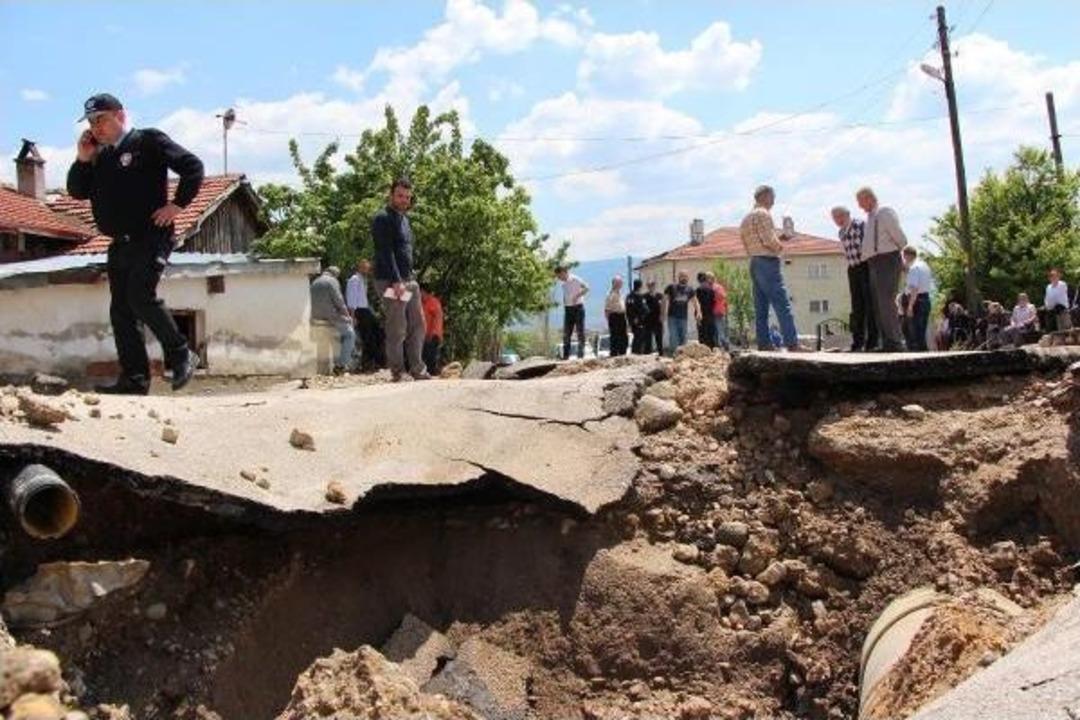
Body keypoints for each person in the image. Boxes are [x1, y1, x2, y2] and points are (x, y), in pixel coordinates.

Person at [66, 93, 203, 395]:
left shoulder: (147, 141)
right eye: (91, 122)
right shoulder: (100, 156)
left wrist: (178, 205)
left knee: (140, 295)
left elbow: (193, 167)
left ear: (120, 115)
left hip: (151, 235)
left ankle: (181, 353)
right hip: (120, 243)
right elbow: (76, 191)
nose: (95, 127)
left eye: (100, 119)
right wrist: (82, 158)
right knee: (121, 311)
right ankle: (135, 380)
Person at [372, 178, 428, 382]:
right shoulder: (382, 218)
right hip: (390, 281)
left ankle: (418, 370)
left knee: (419, 324)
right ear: (391, 195)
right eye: (400, 195)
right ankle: (398, 372)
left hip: (408, 281)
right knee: (397, 326)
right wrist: (396, 281)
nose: (404, 200)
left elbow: (404, 251)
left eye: (407, 196)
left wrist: (408, 278)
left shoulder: (404, 220)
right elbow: (385, 252)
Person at [739, 185, 802, 351]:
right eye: (772, 197)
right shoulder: (763, 214)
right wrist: (780, 247)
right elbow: (768, 239)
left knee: (761, 308)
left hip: (754, 261)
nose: (773, 201)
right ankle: (792, 343)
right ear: (766, 196)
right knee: (782, 303)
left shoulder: (746, 219)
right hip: (767, 261)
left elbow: (747, 242)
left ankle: (764, 344)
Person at [857, 187, 908, 352]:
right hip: (874, 262)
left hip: (887, 259)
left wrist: (899, 259)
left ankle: (896, 342)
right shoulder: (871, 218)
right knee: (878, 304)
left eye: (861, 201)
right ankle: (887, 342)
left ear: (869, 198)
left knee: (886, 302)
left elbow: (900, 238)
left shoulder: (884, 212)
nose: (860, 206)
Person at [832, 206, 878, 351]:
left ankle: (873, 342)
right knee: (857, 307)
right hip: (852, 269)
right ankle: (857, 342)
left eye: (839, 216)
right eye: (834, 218)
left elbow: (868, 246)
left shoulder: (860, 225)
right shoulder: (841, 232)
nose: (837, 220)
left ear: (847, 214)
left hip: (865, 266)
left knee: (869, 304)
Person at [310, 266, 356, 374]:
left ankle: (322, 370)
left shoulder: (315, 282)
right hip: (331, 316)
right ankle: (341, 365)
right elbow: (339, 300)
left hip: (315, 316)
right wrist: (348, 316)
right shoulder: (332, 281)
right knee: (349, 334)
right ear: (335, 274)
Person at [345, 258, 383, 371]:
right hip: (359, 311)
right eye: (365, 268)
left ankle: (373, 362)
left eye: (368, 268)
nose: (367, 271)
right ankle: (369, 363)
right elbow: (351, 299)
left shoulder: (363, 280)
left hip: (365, 309)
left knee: (376, 333)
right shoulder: (354, 280)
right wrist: (352, 316)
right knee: (367, 338)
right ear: (360, 268)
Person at [901, 246, 933, 352]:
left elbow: (914, 288)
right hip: (926, 299)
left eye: (904, 257)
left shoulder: (914, 268)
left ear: (908, 255)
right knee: (921, 332)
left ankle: (917, 357)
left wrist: (910, 306)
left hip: (916, 301)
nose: (904, 260)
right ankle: (925, 355)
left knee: (912, 333)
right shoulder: (925, 265)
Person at [556, 266, 589, 359]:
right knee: (566, 333)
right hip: (568, 309)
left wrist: (577, 296)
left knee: (580, 331)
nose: (559, 278)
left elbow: (586, 288)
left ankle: (580, 354)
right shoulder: (563, 284)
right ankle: (566, 356)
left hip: (578, 307)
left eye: (559, 276)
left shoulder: (575, 279)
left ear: (563, 272)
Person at [662, 271, 699, 353]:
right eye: (682, 276)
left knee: (683, 338)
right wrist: (662, 314)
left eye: (685, 276)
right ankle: (674, 356)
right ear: (678, 277)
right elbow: (664, 300)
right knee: (674, 337)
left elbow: (695, 301)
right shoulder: (671, 287)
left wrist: (699, 312)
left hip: (683, 318)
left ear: (688, 278)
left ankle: (682, 357)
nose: (684, 278)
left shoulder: (690, 289)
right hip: (672, 317)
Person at [420, 287, 444, 375]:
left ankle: (432, 373)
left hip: (433, 335)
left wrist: (433, 333)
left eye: (421, 293)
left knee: (431, 356)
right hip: (424, 335)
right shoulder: (421, 303)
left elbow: (437, 319)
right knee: (424, 355)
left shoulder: (433, 302)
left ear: (424, 292)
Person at [604, 275, 629, 356]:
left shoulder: (620, 294)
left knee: (623, 336)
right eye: (618, 282)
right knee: (615, 336)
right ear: (614, 283)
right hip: (614, 316)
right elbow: (607, 309)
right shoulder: (610, 294)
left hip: (621, 316)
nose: (620, 284)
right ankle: (614, 353)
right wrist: (609, 319)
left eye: (621, 282)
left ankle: (622, 352)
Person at [626, 279, 650, 354]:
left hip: (632, 321)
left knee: (636, 336)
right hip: (640, 320)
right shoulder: (639, 296)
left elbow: (628, 309)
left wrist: (631, 319)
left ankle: (635, 352)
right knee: (640, 337)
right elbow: (645, 309)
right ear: (640, 286)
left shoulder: (629, 296)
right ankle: (637, 353)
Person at [1044, 268, 1072, 332]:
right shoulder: (1048, 287)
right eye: (1051, 276)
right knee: (1057, 331)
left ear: (1058, 276)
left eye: (1054, 275)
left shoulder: (1062, 284)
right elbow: (1047, 298)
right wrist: (1047, 305)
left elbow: (1057, 297)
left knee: (1066, 328)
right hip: (1052, 311)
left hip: (1062, 309)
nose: (1053, 277)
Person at [695, 272, 717, 348]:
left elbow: (696, 303)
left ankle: (703, 351)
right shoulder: (711, 290)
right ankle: (711, 350)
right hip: (710, 315)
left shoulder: (698, 290)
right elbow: (714, 302)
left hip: (701, 315)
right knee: (710, 334)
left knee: (702, 334)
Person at [710, 272, 731, 351]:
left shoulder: (713, 288)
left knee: (718, 329)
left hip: (715, 311)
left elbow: (721, 297)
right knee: (721, 328)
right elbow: (725, 297)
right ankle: (723, 344)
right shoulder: (720, 287)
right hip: (720, 310)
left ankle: (722, 344)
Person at [645, 279, 664, 356]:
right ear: (647, 287)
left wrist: (662, 316)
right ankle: (647, 356)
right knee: (648, 340)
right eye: (649, 285)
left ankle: (661, 355)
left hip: (658, 321)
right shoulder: (644, 296)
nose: (651, 287)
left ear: (655, 286)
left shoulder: (660, 296)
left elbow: (663, 307)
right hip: (648, 321)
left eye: (652, 285)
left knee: (659, 339)